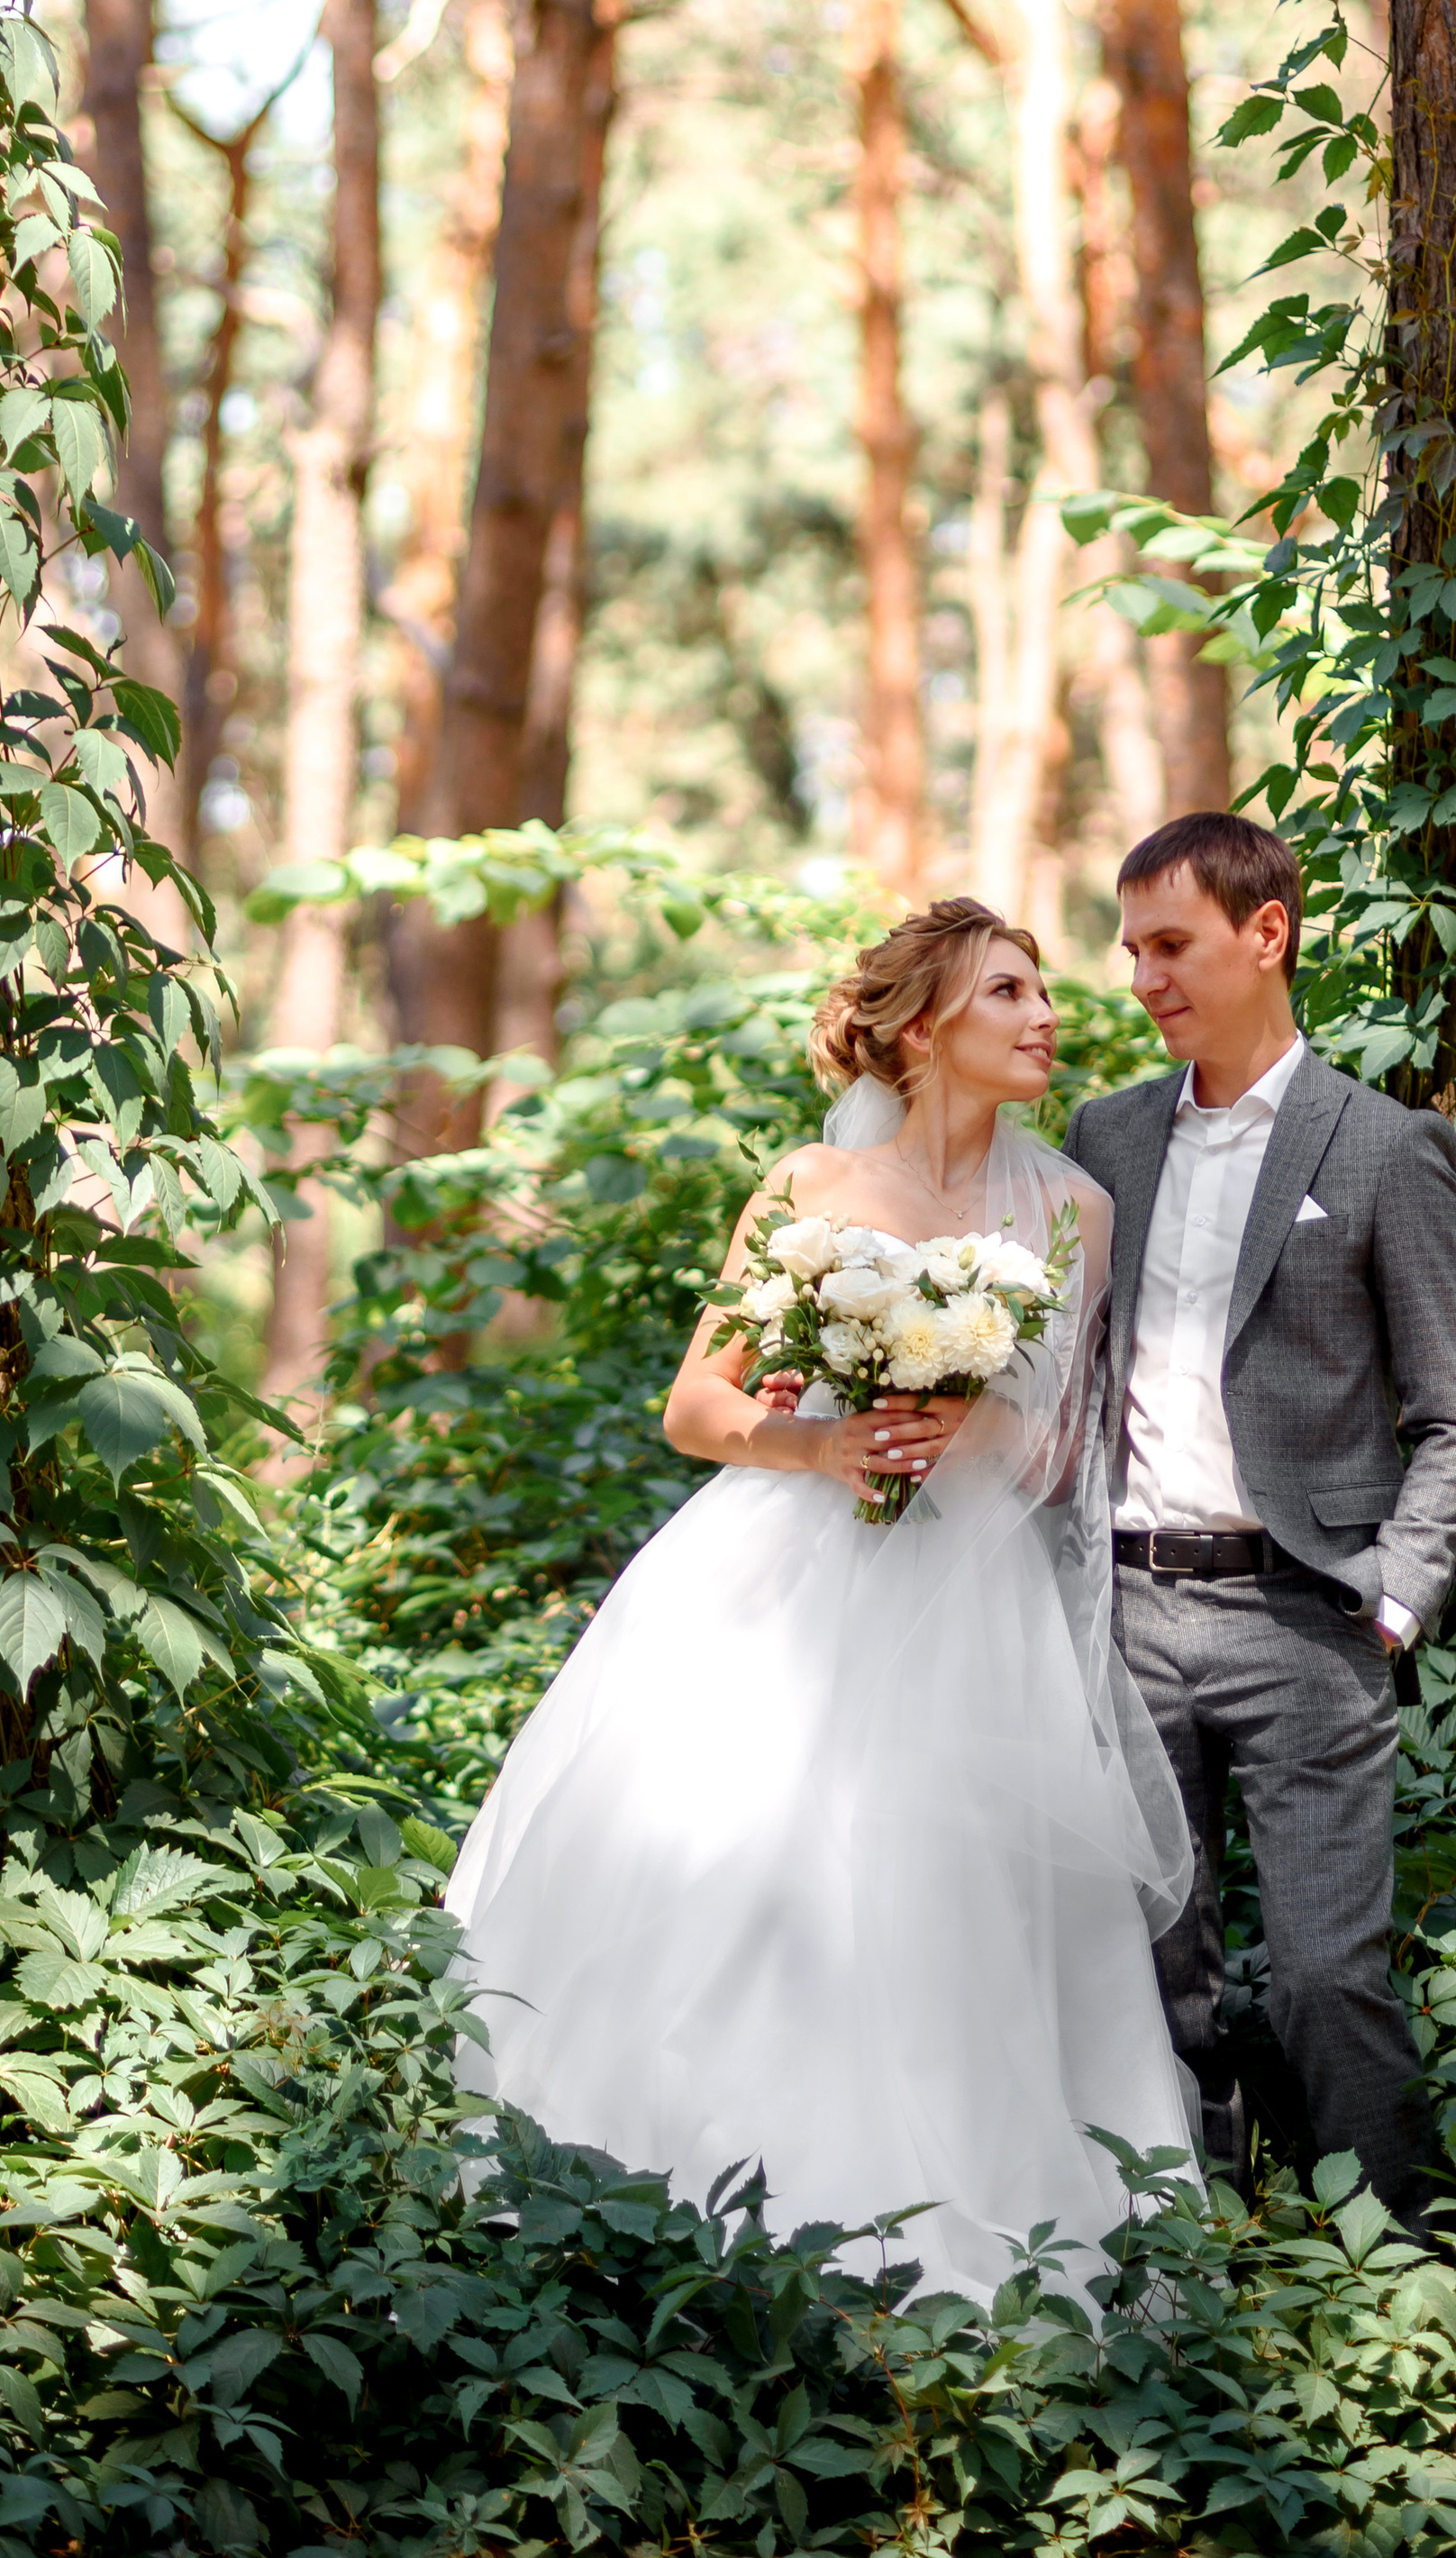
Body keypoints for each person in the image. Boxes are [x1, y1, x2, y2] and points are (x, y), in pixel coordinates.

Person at [437, 898, 1198, 2307]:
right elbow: (696, 1405)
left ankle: (957, 2245)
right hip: (784, 1574)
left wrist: (968, 1426)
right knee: (746, 1867)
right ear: (924, 1030)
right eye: (1009, 993)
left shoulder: (1075, 1209)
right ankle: (674, 2210)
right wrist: (822, 1440)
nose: (1048, 1017)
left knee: (947, 1905)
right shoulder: (808, 1189)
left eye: (1044, 993)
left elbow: (1067, 1450)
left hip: (978, 1608)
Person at [1063, 814, 1456, 2234]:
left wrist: (1392, 1597)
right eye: (1131, 948)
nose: (1142, 977)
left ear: (1269, 933)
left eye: (1171, 943)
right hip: (1127, 1613)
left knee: (1327, 1975)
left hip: (1307, 1621)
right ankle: (1195, 2261)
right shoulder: (1106, 1138)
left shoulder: (1383, 1148)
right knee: (1151, 1966)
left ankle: (1408, 2263)